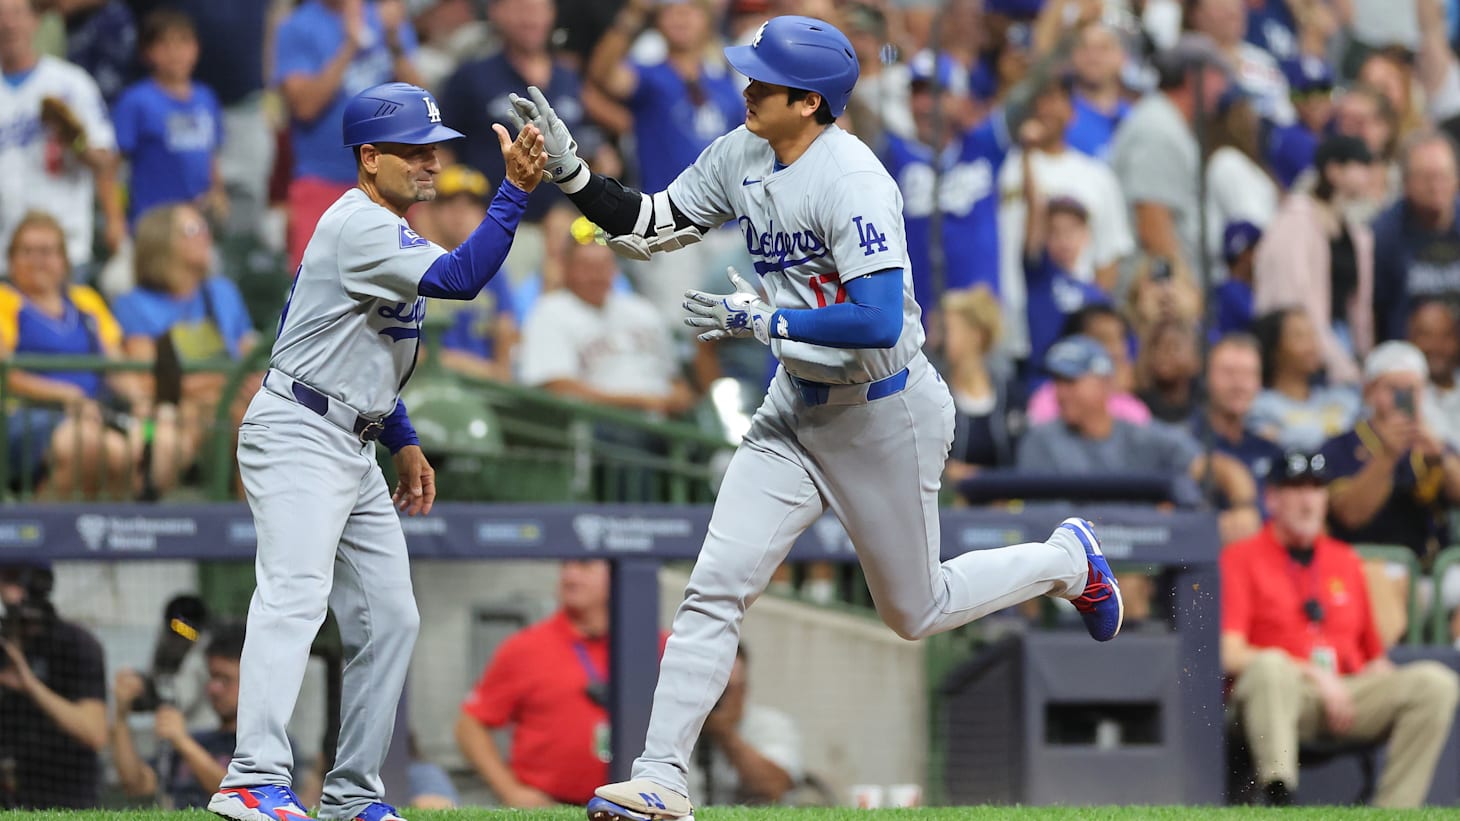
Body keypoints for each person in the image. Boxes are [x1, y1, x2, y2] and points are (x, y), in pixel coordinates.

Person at [507, 16, 1124, 821]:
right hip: (794, 406)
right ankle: (659, 778)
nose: (747, 86)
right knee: (714, 586)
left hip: (884, 409)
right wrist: (573, 173)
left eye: (764, 79)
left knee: (916, 611)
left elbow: (876, 318)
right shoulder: (742, 150)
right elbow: (650, 224)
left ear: (809, 101)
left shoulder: (853, 178)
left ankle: (1067, 561)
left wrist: (769, 321)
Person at [207, 82, 547, 821]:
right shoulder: (359, 223)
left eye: (435, 149)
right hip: (299, 431)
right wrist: (515, 191)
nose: (432, 163)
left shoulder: (388, 228)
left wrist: (403, 439)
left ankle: (352, 793)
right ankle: (251, 778)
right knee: (294, 595)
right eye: (415, 151)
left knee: (392, 617)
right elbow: (462, 278)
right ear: (369, 157)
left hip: (351, 435)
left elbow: (361, 356)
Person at [1222, 451, 1460, 808]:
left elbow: (1374, 659)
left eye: (1315, 489)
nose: (1307, 501)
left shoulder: (1345, 559)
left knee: (1435, 683)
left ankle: (1395, 811)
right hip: (1280, 695)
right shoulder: (1240, 557)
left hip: (1344, 696)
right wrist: (1314, 674)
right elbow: (1230, 653)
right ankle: (1279, 795)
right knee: (1270, 667)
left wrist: (1386, 687)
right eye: (1295, 489)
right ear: (1272, 498)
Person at [1017, 334, 1260, 545]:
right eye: (1057, 382)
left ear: (1105, 383)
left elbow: (1215, 467)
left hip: (1144, 555)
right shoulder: (1041, 440)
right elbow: (1047, 526)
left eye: (1071, 382)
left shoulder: (1138, 436)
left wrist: (1244, 508)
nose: (1061, 393)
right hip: (1078, 563)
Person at [455, 560, 634, 807]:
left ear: (617, 574)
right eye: (565, 566)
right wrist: (511, 792)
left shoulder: (649, 643)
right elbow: (469, 726)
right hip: (548, 805)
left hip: (631, 805)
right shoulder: (526, 647)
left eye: (584, 566)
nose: (570, 576)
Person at [272, 0, 424, 271]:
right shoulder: (297, 27)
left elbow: (421, 102)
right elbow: (305, 107)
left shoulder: (385, 16)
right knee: (317, 281)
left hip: (388, 181)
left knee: (402, 282)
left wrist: (393, 40)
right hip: (322, 180)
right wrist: (349, 46)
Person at [0, 211, 136, 499]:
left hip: (95, 413)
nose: (37, 261)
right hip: (25, 415)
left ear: (63, 260)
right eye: (26, 251)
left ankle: (98, 527)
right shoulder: (5, 299)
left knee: (132, 450)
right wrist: (67, 396)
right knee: (88, 445)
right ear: (11, 260)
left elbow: (116, 366)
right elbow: (6, 372)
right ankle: (38, 523)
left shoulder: (85, 300)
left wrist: (143, 401)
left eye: (46, 251)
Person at [0, 0, 124, 276]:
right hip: (5, 253)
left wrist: (76, 142)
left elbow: (106, 161)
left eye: (17, 14)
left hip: (65, 248)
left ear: (36, 21)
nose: (8, 24)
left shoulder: (70, 83)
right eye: (1, 16)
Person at [518, 227, 696, 416]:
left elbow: (677, 382)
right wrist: (639, 402)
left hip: (665, 419)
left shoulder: (643, 310)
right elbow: (557, 387)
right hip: (599, 421)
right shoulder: (550, 311)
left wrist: (676, 399)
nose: (597, 275)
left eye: (604, 265)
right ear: (567, 268)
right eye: (587, 267)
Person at [1110, 34, 1230, 276]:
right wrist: (1184, 288)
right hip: (1156, 286)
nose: (1223, 88)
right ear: (1192, 77)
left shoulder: (1171, 123)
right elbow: (1153, 224)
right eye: (1217, 76)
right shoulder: (1158, 129)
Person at [113, 626, 268, 808]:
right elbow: (137, 784)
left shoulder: (270, 745)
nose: (214, 688)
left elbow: (245, 799)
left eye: (225, 679)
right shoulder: (199, 740)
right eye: (212, 677)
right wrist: (121, 715)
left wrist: (182, 741)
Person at [0, 562, 107, 809]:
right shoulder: (4, 642)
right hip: (11, 791)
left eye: (20, 580)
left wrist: (30, 684)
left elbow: (94, 733)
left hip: (67, 796)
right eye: (9, 580)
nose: (17, 591)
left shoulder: (75, 643)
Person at [111, 9, 225, 228]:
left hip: (197, 219)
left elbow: (211, 154)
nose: (175, 53)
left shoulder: (206, 97)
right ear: (147, 52)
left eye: (183, 42)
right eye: (164, 45)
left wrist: (218, 192)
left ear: (196, 48)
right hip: (152, 221)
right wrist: (116, 219)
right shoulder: (136, 100)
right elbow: (113, 167)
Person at [1373, 131, 1460, 342]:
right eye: (1425, 178)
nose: (1435, 187)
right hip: (1405, 350)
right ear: (1405, 182)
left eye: (1443, 175)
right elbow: (1377, 311)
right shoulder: (1383, 235)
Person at [689, 645, 803, 806]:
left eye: (723, 689)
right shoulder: (675, 728)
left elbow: (774, 788)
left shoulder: (771, 725)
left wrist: (724, 733)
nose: (712, 699)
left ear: (743, 689)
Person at [939, 285, 1025, 485]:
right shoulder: (934, 392)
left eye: (948, 330)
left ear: (976, 335)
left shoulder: (1010, 394)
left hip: (1008, 501)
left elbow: (1022, 457)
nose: (940, 339)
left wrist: (976, 477)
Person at [1247, 308, 1362, 452]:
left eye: (1313, 335)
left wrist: (1285, 435)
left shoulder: (1344, 397)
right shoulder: (1259, 407)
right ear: (1274, 348)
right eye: (1299, 336)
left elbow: (1370, 440)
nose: (1312, 345)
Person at [1191, 333, 1285, 509]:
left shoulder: (1270, 450)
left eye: (1248, 374)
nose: (1239, 384)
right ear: (1206, 377)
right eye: (1228, 373)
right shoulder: (1187, 442)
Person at [1408, 298, 1460, 448]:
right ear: (1410, 339)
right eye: (1426, 336)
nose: (1437, 346)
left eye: (1446, 336)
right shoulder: (1399, 396)